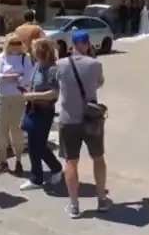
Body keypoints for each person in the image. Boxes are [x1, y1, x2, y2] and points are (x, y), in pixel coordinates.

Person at [56, 30, 110, 218]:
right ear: (87, 44)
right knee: (98, 158)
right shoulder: (95, 64)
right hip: (91, 118)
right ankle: (101, 200)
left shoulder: (60, 64)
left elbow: (58, 84)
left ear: (72, 45)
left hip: (69, 120)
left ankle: (74, 205)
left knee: (71, 162)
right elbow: (99, 83)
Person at [19, 38, 65, 191]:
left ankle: (46, 172)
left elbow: (53, 93)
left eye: (33, 48)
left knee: (37, 145)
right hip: (32, 109)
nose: (30, 50)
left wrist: (31, 96)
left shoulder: (51, 70)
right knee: (34, 145)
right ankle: (43, 174)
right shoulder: (37, 65)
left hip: (44, 112)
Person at [0, 35, 30, 175]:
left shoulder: (25, 58)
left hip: (18, 98)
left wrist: (9, 76)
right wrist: (12, 76)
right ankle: (3, 161)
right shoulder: (1, 57)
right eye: (12, 43)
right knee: (1, 129)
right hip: (1, 97)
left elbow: (27, 77)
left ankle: (18, 161)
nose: (15, 46)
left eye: (18, 43)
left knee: (17, 131)